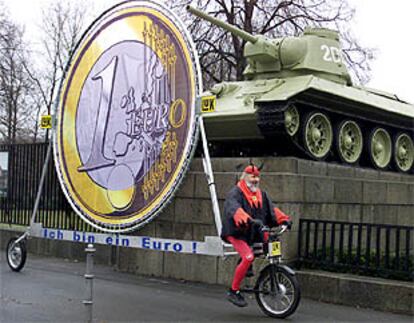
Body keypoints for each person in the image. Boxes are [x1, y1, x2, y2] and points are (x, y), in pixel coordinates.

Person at [222, 164, 292, 307]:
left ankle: (249, 267)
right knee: (248, 257)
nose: (255, 180)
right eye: (252, 177)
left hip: (253, 231)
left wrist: (284, 219)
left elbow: (272, 210)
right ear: (245, 177)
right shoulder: (236, 192)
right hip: (237, 232)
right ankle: (233, 291)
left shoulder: (261, 194)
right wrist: (246, 218)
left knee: (269, 246)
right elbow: (233, 208)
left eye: (257, 177)